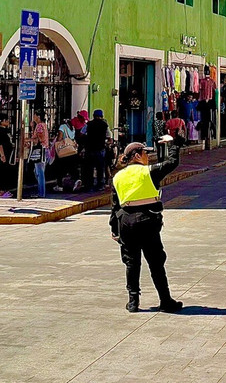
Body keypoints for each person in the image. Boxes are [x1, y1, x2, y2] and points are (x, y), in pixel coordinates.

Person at [110, 133, 186, 313]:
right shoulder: (148, 171)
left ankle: (133, 302)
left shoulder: (117, 177)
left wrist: (115, 230)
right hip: (147, 221)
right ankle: (165, 300)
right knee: (156, 262)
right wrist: (173, 144)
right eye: (145, 153)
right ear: (137, 155)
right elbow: (172, 162)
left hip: (126, 222)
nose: (147, 156)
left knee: (131, 262)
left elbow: (114, 206)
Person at [53, 116, 80, 192]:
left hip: (64, 152)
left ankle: (59, 185)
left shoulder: (62, 127)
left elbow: (59, 138)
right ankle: (76, 180)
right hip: (71, 150)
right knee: (72, 168)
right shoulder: (73, 129)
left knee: (60, 169)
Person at [26, 112, 49, 197]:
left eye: (34, 115)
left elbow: (38, 138)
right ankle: (41, 191)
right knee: (38, 172)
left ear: (38, 116)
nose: (33, 117)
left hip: (40, 150)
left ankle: (41, 193)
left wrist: (28, 140)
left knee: (39, 172)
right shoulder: (44, 125)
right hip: (45, 149)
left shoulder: (39, 126)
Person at [86, 110, 110, 190]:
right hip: (100, 149)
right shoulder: (104, 125)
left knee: (90, 168)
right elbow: (109, 136)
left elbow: (82, 133)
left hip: (90, 148)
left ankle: (89, 185)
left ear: (93, 116)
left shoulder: (88, 124)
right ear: (102, 116)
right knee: (100, 168)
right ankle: (100, 185)